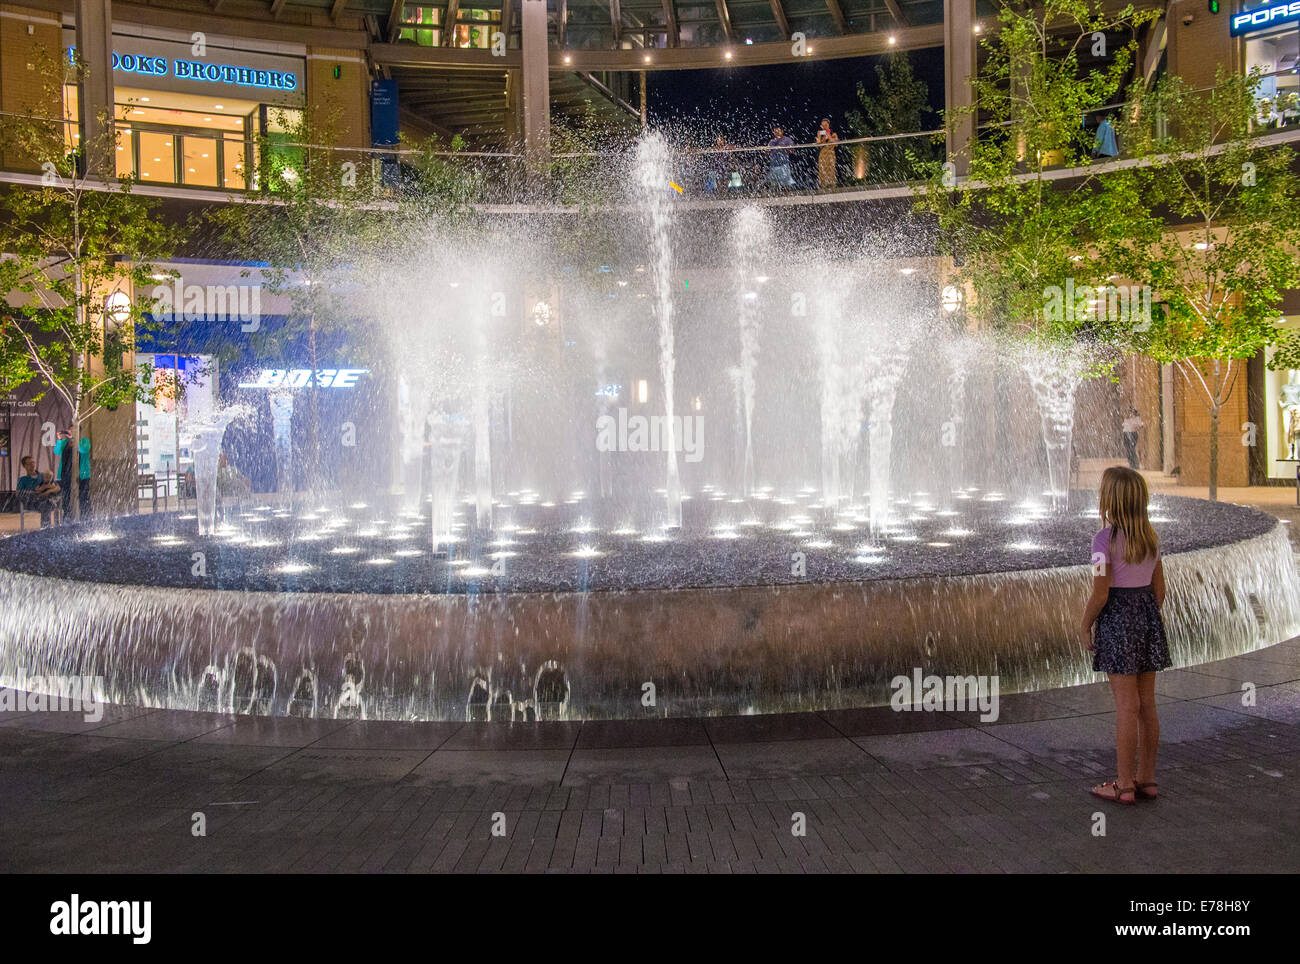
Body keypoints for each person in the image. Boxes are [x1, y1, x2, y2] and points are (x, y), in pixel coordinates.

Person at [1079, 466, 1170, 805]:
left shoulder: (1102, 541)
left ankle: (1123, 784)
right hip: (1147, 621)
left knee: (1125, 706)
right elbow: (1160, 590)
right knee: (1147, 704)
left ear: (1109, 502)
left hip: (1116, 623)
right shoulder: (1151, 538)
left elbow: (1100, 593)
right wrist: (1144, 618)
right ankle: (1147, 778)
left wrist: (1085, 624)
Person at [16, 456, 60, 528]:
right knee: (46, 503)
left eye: (33, 462)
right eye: (29, 463)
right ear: (24, 466)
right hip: (33, 502)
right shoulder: (23, 479)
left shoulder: (44, 475)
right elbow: (18, 493)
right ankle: (46, 528)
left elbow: (57, 487)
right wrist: (33, 493)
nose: (32, 465)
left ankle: (50, 528)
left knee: (48, 502)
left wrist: (47, 490)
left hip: (47, 499)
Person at [767, 125, 794, 189]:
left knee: (786, 184)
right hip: (773, 166)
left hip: (784, 165)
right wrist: (765, 149)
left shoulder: (788, 140)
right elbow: (767, 154)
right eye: (775, 132)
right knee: (774, 185)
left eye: (778, 132)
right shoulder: (772, 141)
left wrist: (783, 148)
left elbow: (792, 151)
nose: (777, 134)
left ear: (782, 131)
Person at [816, 118, 839, 189]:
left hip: (830, 153)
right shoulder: (820, 132)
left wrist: (828, 135)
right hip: (823, 154)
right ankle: (823, 186)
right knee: (823, 169)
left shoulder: (833, 133)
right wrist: (822, 138)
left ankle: (832, 185)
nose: (824, 126)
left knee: (831, 169)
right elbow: (818, 144)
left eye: (826, 125)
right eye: (823, 125)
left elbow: (836, 144)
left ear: (828, 125)